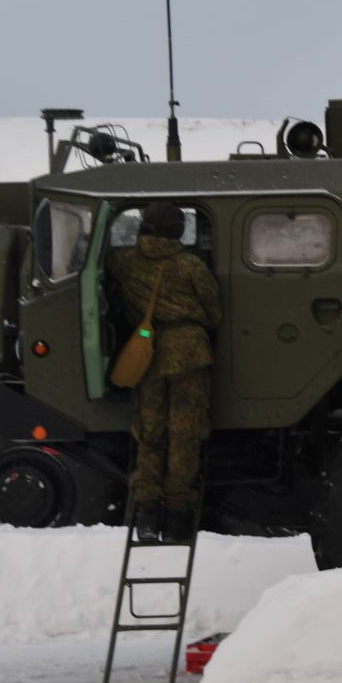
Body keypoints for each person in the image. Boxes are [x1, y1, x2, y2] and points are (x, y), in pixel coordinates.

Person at [108, 201, 222, 544]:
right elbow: (215, 314)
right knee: (184, 436)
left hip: (147, 354)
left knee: (151, 435)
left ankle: (146, 517)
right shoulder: (191, 265)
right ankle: (176, 519)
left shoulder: (124, 263)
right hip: (190, 356)